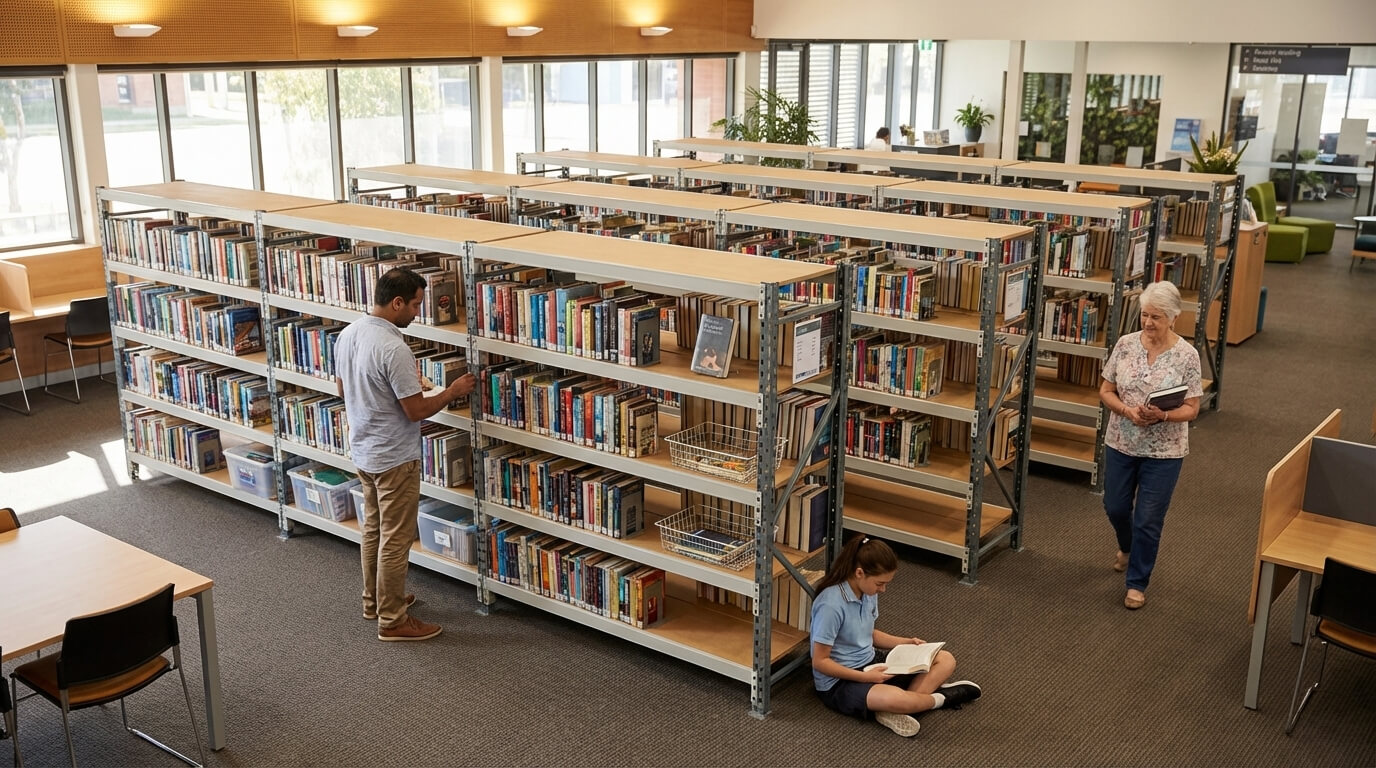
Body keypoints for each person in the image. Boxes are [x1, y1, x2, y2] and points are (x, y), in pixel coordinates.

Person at [336, 267, 477, 641]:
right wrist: (452, 391)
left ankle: (375, 601)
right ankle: (393, 619)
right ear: (396, 302)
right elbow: (415, 411)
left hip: (364, 450)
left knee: (374, 530)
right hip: (395, 457)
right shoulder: (393, 348)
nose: (417, 312)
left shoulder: (349, 333)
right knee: (396, 540)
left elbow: (342, 388)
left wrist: (397, 389)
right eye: (414, 304)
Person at [809, 535, 982, 737]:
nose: (883, 590)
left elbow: (869, 633)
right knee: (899, 700)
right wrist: (865, 677)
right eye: (880, 583)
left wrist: (906, 643)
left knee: (946, 659)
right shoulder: (830, 605)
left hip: (872, 663)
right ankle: (941, 698)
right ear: (859, 573)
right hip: (840, 682)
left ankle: (902, 707)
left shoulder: (868, 592)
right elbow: (820, 662)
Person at [1098, 280, 1202, 610]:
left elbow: (1192, 407)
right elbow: (1105, 391)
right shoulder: (1126, 345)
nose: (1148, 323)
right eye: (1145, 315)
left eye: (1156, 317)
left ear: (1173, 318)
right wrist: (1128, 410)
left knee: (1148, 519)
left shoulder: (1188, 356)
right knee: (1115, 506)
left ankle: (1137, 582)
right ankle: (1126, 548)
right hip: (1121, 442)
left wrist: (1164, 417)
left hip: (1164, 452)